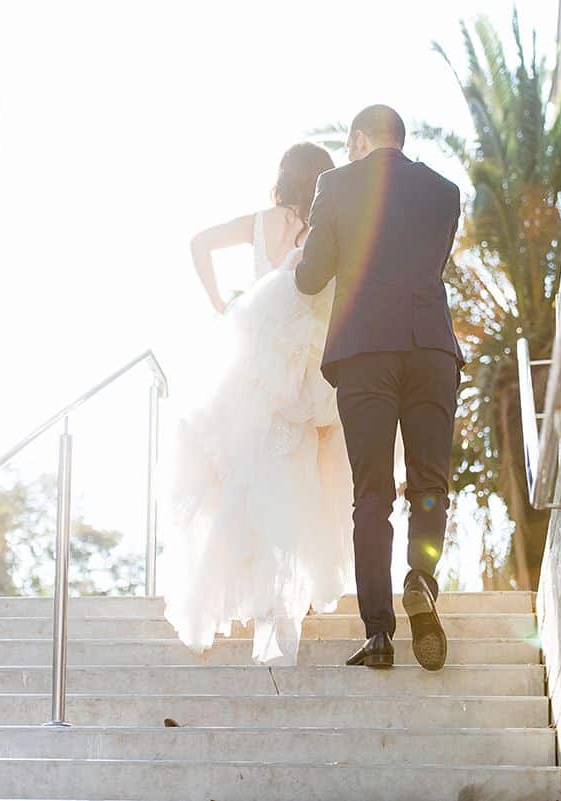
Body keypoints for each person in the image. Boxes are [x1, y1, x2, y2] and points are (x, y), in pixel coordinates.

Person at [163, 142, 353, 665]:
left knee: (247, 484)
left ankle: (265, 604)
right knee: (303, 485)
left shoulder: (259, 222)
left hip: (253, 366)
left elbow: (199, 242)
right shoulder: (327, 228)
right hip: (307, 371)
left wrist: (221, 303)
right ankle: (285, 602)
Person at [296, 105, 463, 672]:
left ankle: (379, 634)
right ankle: (421, 579)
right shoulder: (444, 192)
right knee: (430, 483)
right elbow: (432, 266)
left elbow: (311, 277)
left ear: (360, 139)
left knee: (372, 493)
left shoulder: (336, 185)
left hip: (365, 352)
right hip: (431, 349)